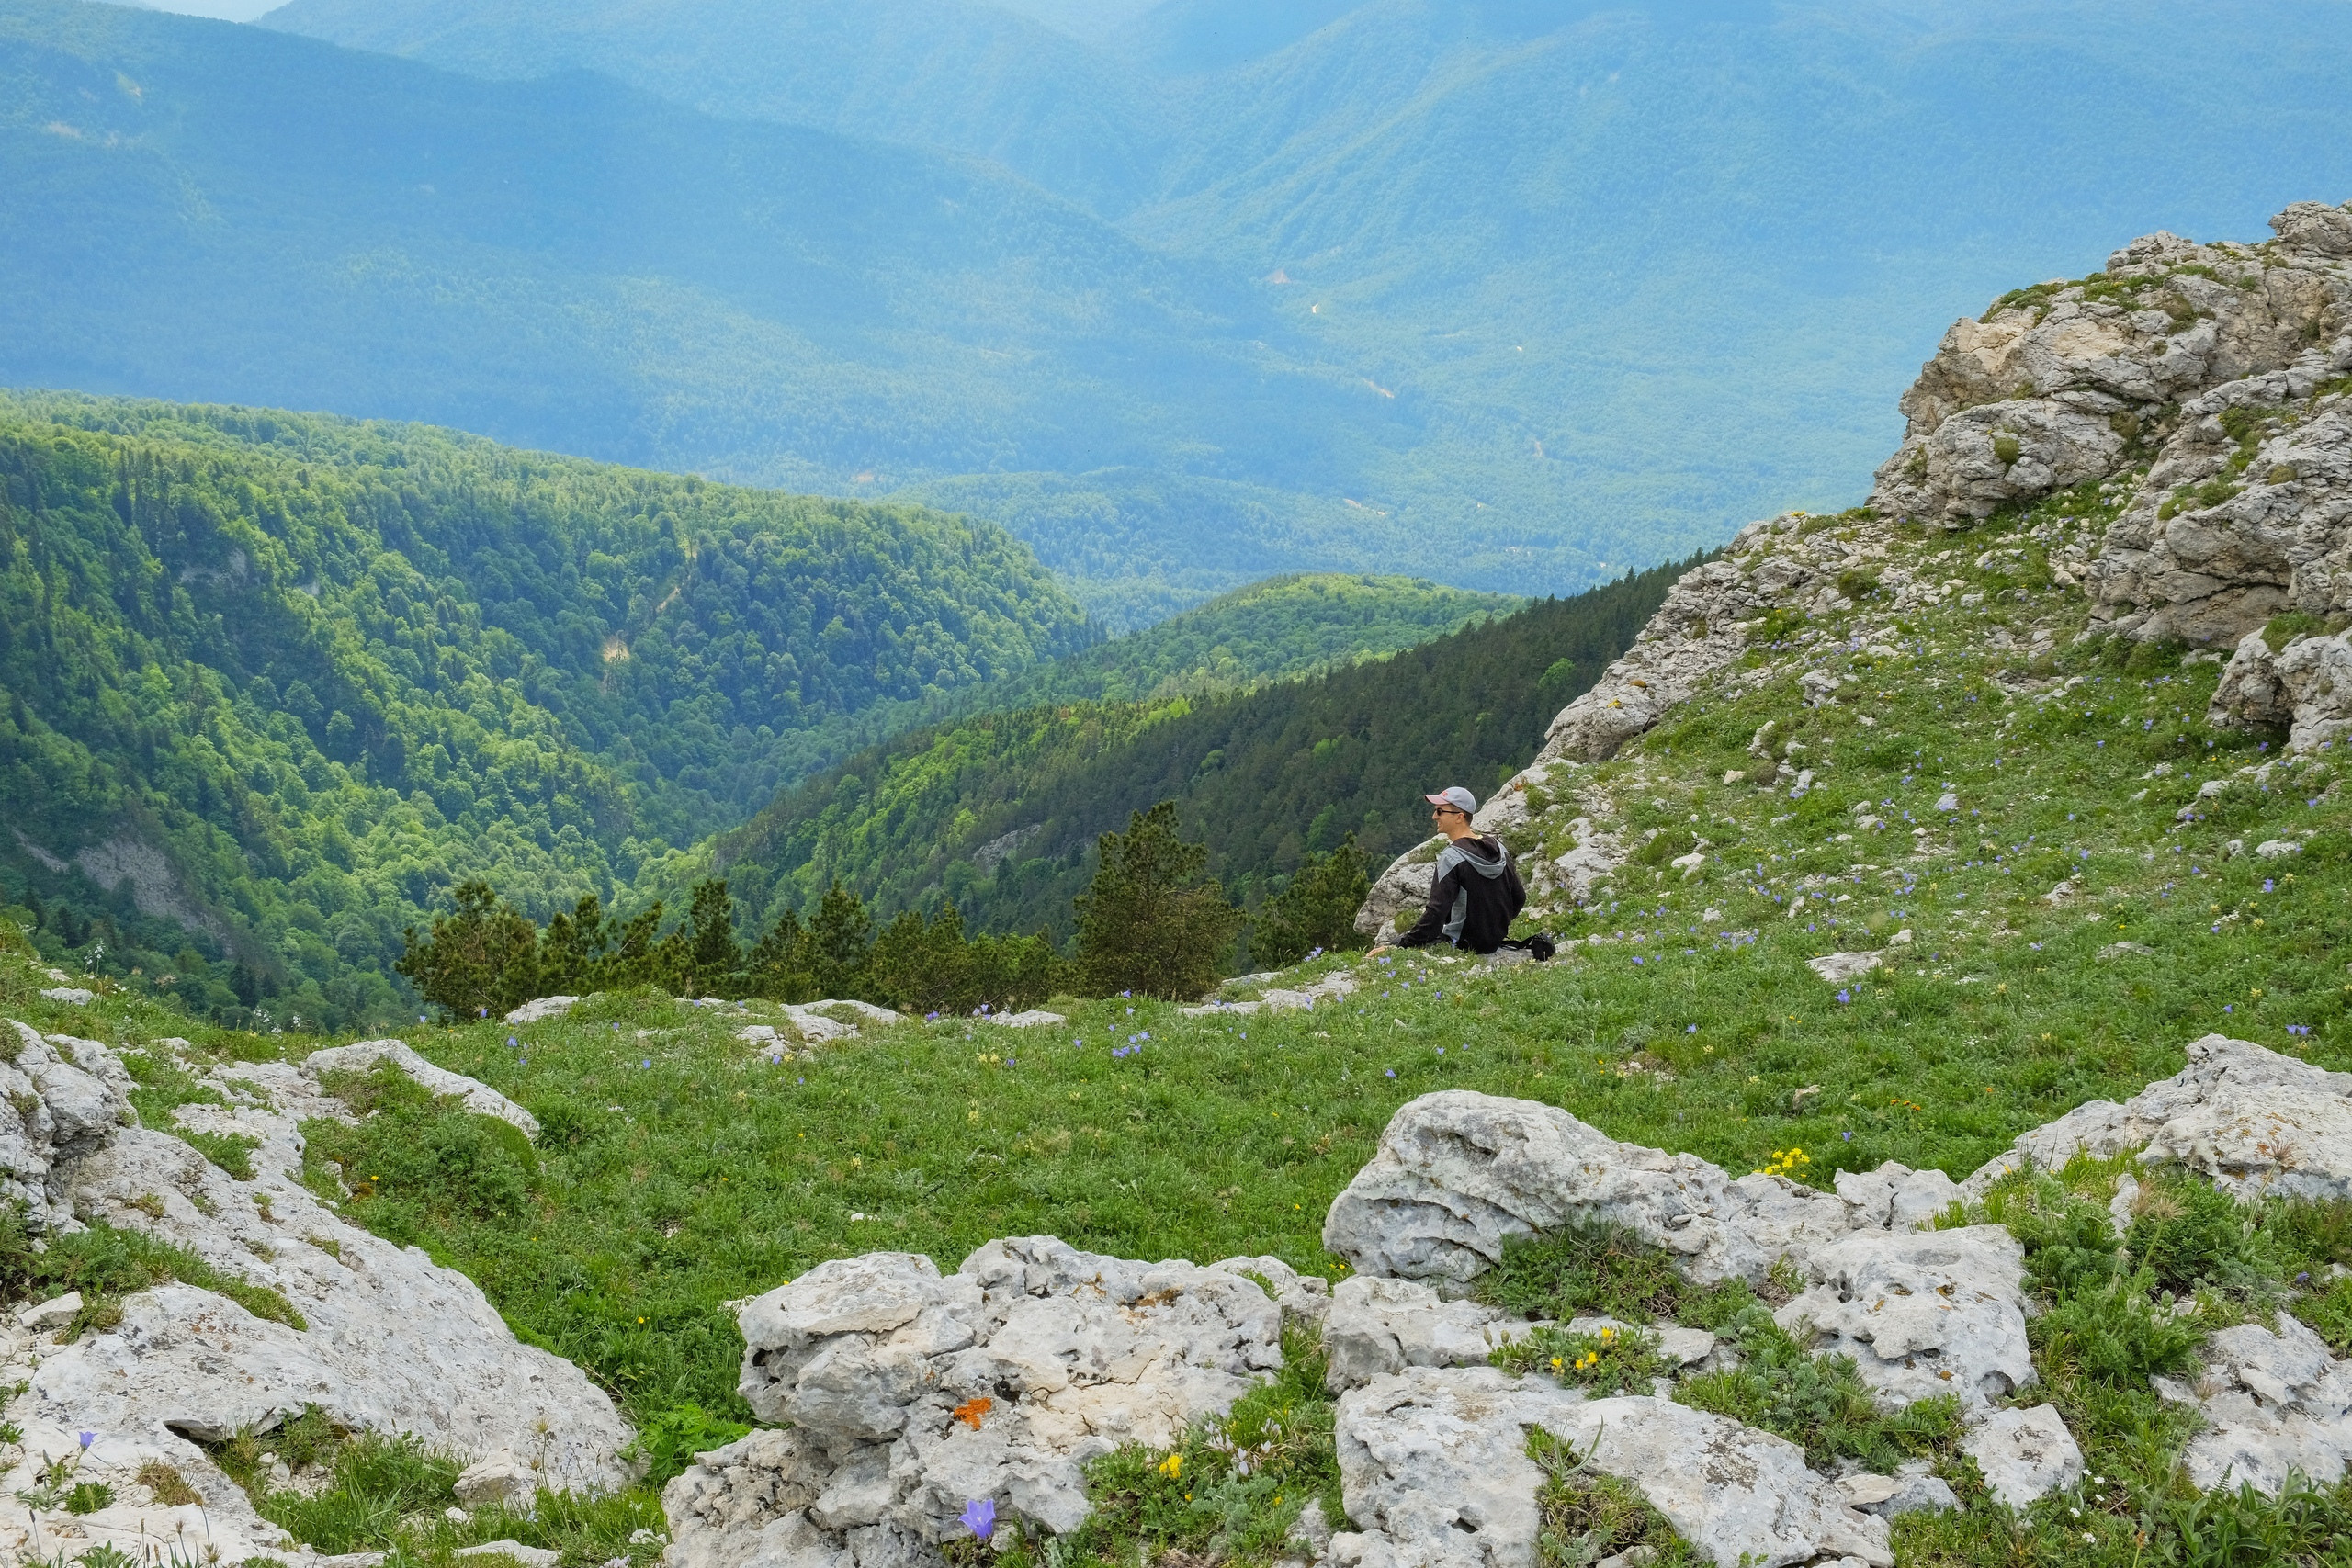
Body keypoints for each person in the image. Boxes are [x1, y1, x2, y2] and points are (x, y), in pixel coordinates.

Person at [1375, 785, 1525, 955]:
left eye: (1439, 811)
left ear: (1459, 817)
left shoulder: (1452, 857)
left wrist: (1402, 945)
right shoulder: (1500, 849)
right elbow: (1519, 898)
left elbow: (1436, 912)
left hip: (1462, 944)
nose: (1434, 817)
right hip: (1493, 942)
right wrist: (1493, 927)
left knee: (1397, 943)